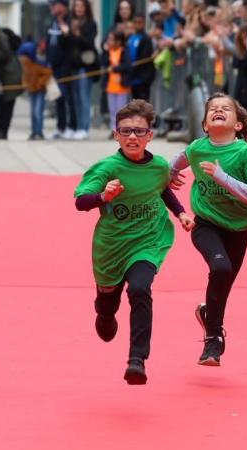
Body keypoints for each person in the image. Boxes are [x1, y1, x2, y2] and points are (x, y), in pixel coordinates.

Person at [74, 99, 195, 385]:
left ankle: (137, 359)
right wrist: (103, 196)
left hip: (148, 240)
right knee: (107, 307)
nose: (132, 137)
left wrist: (181, 213)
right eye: (125, 131)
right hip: (112, 247)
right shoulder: (106, 168)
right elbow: (80, 201)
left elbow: (162, 189)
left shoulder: (159, 167)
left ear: (150, 136)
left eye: (139, 131)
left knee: (140, 289)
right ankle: (104, 312)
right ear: (116, 135)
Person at [169, 93, 247, 367]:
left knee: (223, 284)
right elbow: (175, 163)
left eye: (225, 109)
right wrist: (167, 175)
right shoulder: (196, 148)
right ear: (205, 124)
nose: (218, 110)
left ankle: (208, 317)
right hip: (205, 224)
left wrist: (221, 177)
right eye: (212, 109)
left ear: (238, 124)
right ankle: (213, 340)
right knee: (221, 269)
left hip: (238, 229)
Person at [67, 0, 98, 140]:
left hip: (85, 65)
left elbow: (89, 43)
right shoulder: (70, 23)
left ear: (86, 8)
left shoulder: (91, 24)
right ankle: (78, 127)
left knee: (84, 97)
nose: (78, 8)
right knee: (75, 99)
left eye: (81, 6)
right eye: (76, 6)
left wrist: (77, 33)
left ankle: (84, 128)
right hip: (73, 65)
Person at [47, 0, 77, 139]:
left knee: (69, 97)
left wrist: (67, 33)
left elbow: (71, 43)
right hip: (53, 66)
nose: (52, 7)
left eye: (55, 4)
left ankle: (72, 126)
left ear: (63, 6)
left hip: (66, 66)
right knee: (57, 97)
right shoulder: (53, 21)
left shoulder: (70, 20)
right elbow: (49, 41)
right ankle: (61, 126)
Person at [18, 38, 52, 140]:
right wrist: (25, 83)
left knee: (38, 111)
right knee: (33, 111)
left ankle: (39, 132)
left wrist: (40, 83)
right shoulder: (29, 62)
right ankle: (34, 132)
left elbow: (47, 73)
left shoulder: (44, 62)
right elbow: (27, 74)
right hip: (32, 88)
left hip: (40, 89)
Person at [101, 30, 132, 132]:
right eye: (108, 39)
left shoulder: (123, 51)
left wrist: (115, 69)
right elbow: (102, 62)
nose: (109, 42)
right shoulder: (108, 52)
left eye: (111, 39)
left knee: (121, 109)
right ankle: (114, 128)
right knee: (112, 109)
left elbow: (127, 66)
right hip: (111, 85)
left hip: (121, 86)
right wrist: (105, 51)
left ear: (118, 41)